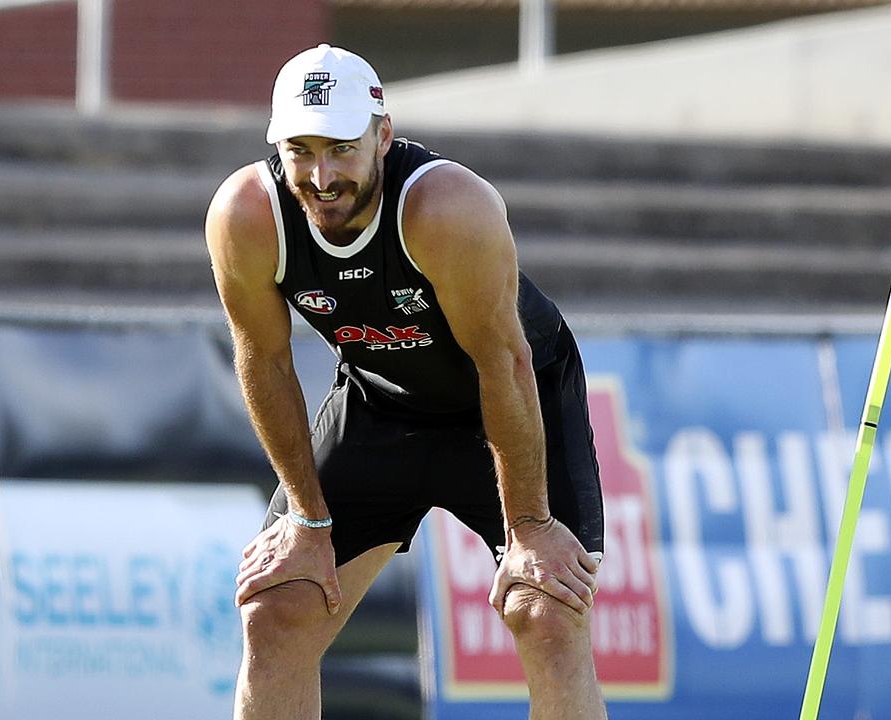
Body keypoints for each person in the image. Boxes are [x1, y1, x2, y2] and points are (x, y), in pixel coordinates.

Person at [204, 44, 607, 720]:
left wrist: (532, 524)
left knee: (544, 614)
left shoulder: (447, 207)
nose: (322, 175)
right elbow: (263, 361)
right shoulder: (246, 215)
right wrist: (307, 518)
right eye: (300, 150)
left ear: (381, 136)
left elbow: (503, 365)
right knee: (278, 610)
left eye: (340, 148)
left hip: (509, 403)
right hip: (380, 404)